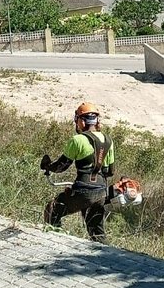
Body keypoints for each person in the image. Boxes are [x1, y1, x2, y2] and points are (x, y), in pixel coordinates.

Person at [41, 102, 115, 242]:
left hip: (83, 191)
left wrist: (48, 166)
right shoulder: (108, 141)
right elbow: (110, 171)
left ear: (81, 121)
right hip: (101, 193)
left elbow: (61, 167)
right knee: (97, 232)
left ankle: (54, 244)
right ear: (97, 120)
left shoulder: (77, 140)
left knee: (52, 210)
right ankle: (105, 258)